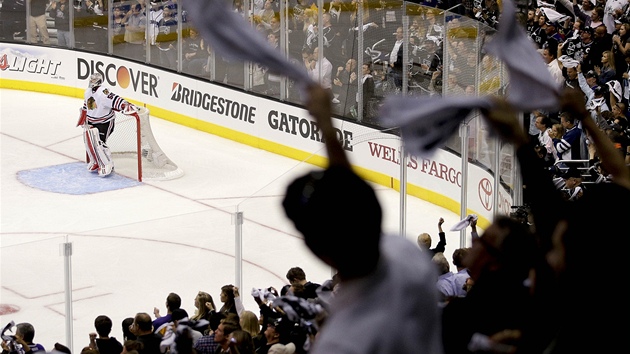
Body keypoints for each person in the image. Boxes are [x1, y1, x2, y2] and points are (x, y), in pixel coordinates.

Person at [282, 84, 442, 353]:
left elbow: (355, 202)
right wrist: (327, 126)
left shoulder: (343, 343)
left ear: (318, 252)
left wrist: (326, 124)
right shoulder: (408, 259)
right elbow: (355, 203)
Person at [78, 72, 134, 177]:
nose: (91, 82)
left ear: (99, 81)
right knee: (89, 142)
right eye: (91, 80)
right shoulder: (88, 91)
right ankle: (95, 162)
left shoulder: (103, 92)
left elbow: (115, 99)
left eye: (94, 80)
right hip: (91, 122)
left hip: (105, 123)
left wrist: (125, 105)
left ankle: (107, 164)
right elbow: (87, 106)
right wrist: (83, 118)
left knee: (100, 143)